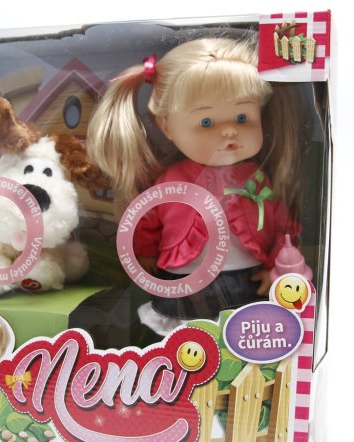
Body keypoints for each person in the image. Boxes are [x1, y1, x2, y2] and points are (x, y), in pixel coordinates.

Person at [87, 35, 302, 334]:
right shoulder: (172, 181)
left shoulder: (257, 179)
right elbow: (148, 220)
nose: (229, 131)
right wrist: (144, 252)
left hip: (247, 277)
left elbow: (282, 224)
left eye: (243, 117)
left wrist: (276, 265)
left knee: (244, 335)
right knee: (187, 339)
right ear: (165, 126)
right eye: (206, 122)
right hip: (184, 278)